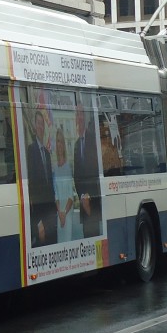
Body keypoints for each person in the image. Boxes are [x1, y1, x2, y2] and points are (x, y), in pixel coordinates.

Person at [25, 106, 58, 246]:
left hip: (50, 207)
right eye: (38, 123)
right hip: (38, 209)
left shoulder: (46, 152)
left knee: (52, 241)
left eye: (42, 124)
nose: (40, 127)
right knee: (41, 241)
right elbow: (30, 184)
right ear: (34, 126)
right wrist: (37, 221)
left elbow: (50, 182)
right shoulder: (30, 150)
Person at [72, 102, 103, 238]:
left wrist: (90, 196)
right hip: (84, 200)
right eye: (77, 114)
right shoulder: (77, 144)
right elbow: (76, 175)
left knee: (95, 234)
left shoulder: (93, 138)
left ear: (85, 117)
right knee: (87, 236)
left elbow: (97, 167)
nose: (80, 117)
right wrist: (82, 196)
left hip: (94, 198)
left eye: (81, 114)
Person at [52, 126, 78, 243]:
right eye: (58, 141)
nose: (60, 144)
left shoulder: (68, 166)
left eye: (62, 141)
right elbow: (56, 193)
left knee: (67, 241)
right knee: (60, 241)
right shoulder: (55, 167)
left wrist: (64, 213)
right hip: (59, 212)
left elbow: (71, 196)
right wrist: (59, 212)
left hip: (67, 211)